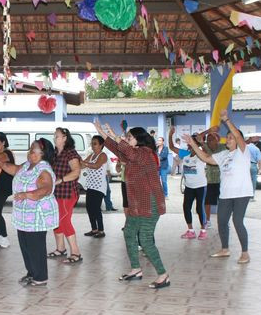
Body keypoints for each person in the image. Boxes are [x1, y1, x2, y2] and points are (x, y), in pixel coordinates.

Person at [95, 121, 170, 289]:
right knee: (129, 232)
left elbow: (128, 151)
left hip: (150, 203)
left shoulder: (146, 153)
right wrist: (104, 134)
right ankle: (136, 269)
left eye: (129, 137)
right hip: (136, 203)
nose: (126, 140)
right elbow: (118, 149)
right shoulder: (132, 154)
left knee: (144, 239)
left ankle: (163, 275)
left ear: (139, 139)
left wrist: (115, 136)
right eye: (126, 137)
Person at [185, 110, 252, 264]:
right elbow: (206, 158)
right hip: (226, 194)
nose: (227, 140)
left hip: (242, 193)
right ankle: (225, 249)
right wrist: (193, 144)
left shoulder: (243, 152)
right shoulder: (223, 154)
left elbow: (238, 135)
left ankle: (245, 253)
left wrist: (226, 120)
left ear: (237, 140)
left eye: (230, 138)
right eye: (227, 137)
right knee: (222, 221)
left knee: (237, 221)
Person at [0, 139, 59, 287]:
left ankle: (40, 277)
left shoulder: (44, 170)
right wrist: (1, 164)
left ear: (43, 154)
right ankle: (31, 273)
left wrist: (26, 194)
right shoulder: (28, 165)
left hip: (37, 216)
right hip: (24, 217)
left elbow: (46, 189)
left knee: (36, 247)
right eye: (30, 150)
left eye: (33, 151)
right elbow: (14, 169)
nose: (30, 153)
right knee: (26, 246)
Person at [47, 127, 83, 263]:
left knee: (64, 220)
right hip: (56, 193)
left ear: (65, 138)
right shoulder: (55, 153)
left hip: (67, 192)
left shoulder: (70, 153)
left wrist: (60, 180)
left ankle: (76, 252)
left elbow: (76, 172)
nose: (55, 138)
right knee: (56, 221)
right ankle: (60, 249)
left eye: (57, 136)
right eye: (54, 136)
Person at [168, 127, 207, 240]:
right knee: (186, 207)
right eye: (189, 141)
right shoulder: (185, 153)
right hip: (189, 187)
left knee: (200, 209)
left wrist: (202, 142)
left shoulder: (201, 154)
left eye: (191, 141)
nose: (189, 143)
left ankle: (203, 230)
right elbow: (171, 147)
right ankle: (190, 230)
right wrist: (170, 135)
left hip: (200, 186)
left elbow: (209, 153)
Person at [81, 135, 108, 238]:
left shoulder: (103, 155)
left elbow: (96, 166)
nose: (92, 145)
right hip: (90, 186)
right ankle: (94, 229)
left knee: (96, 209)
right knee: (89, 208)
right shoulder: (92, 155)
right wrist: (79, 162)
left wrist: (85, 163)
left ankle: (101, 231)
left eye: (95, 143)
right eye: (92, 143)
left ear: (101, 145)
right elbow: (82, 165)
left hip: (99, 187)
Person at [199, 127, 225, 228]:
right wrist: (208, 131)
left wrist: (204, 144)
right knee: (207, 201)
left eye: (211, 139)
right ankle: (207, 220)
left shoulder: (223, 148)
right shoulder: (205, 147)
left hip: (221, 180)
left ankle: (223, 221)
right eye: (207, 140)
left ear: (217, 140)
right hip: (209, 180)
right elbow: (199, 138)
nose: (209, 141)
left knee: (223, 202)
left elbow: (212, 156)